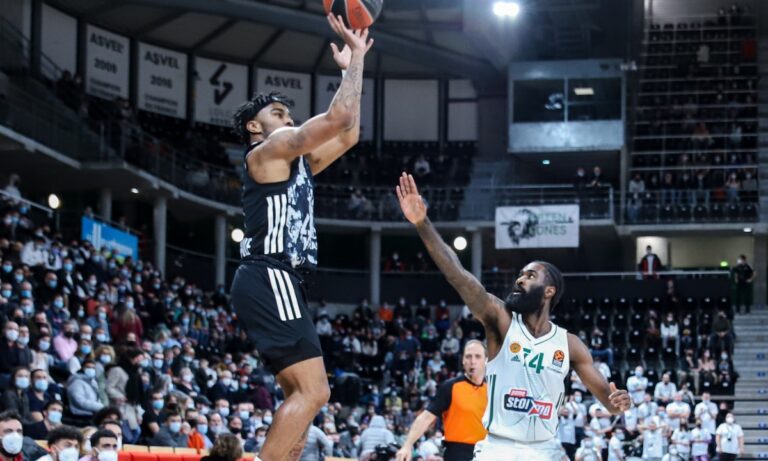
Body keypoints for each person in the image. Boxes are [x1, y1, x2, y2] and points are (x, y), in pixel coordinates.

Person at [396, 173, 632, 461]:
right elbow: (458, 276)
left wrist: (619, 402)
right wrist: (423, 223)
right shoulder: (501, 320)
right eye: (520, 274)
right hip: (498, 448)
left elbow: (610, 403)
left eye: (530, 276)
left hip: (545, 450)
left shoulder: (570, 344)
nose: (520, 280)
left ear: (549, 291)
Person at [228, 15, 372, 461]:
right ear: (254, 127)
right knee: (315, 391)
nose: (288, 120)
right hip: (268, 273)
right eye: (278, 114)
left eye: (289, 116)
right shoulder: (266, 151)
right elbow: (339, 116)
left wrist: (354, 68)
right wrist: (355, 60)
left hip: (279, 280)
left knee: (303, 399)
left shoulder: (300, 164)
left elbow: (349, 134)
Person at [396, 340, 487, 461]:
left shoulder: (493, 389)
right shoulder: (450, 387)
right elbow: (426, 418)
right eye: (468, 356)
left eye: (478, 356)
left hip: (487, 452)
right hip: (457, 453)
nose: (473, 361)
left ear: (486, 360)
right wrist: (407, 445)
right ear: (463, 360)